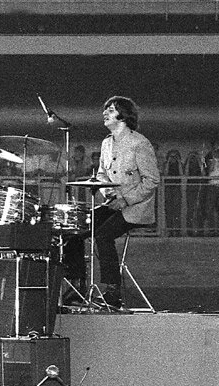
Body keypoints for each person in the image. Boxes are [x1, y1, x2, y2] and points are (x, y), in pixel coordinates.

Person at [63, 96, 159, 310]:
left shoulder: (139, 143)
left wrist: (125, 200)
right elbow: (101, 174)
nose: (105, 113)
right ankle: (77, 287)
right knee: (75, 231)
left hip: (136, 208)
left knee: (103, 234)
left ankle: (113, 291)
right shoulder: (106, 142)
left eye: (111, 109)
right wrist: (108, 193)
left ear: (123, 115)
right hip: (114, 203)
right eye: (105, 108)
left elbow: (152, 180)